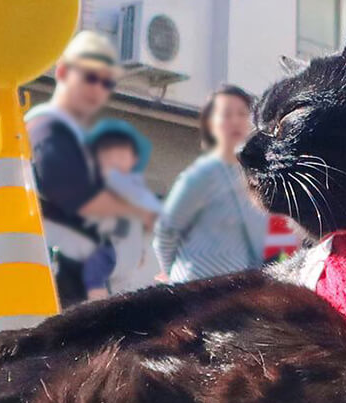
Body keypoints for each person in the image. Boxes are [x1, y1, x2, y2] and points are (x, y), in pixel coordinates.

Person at [26, 31, 158, 307]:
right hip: (55, 282)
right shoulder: (47, 129)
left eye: (105, 81)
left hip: (67, 282)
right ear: (62, 71)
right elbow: (73, 195)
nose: (97, 88)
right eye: (89, 77)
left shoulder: (70, 136)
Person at [154, 84, 265, 282]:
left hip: (235, 290)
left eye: (242, 113)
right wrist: (171, 274)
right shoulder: (201, 174)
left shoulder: (255, 175)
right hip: (194, 286)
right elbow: (166, 231)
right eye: (226, 114)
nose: (236, 121)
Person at [86, 119, 163, 296]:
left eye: (121, 156)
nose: (115, 161)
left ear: (133, 159)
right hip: (101, 252)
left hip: (126, 253)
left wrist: (141, 249)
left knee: (121, 289)